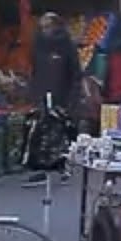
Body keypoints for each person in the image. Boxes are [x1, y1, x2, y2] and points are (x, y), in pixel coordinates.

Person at [24, 13, 81, 187]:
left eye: (49, 26)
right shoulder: (38, 46)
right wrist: (33, 92)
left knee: (61, 132)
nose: (46, 30)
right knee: (41, 133)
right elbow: (35, 71)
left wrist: (72, 98)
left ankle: (64, 168)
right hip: (42, 95)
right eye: (43, 27)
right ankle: (41, 170)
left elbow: (75, 74)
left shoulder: (67, 46)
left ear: (57, 26)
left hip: (62, 95)